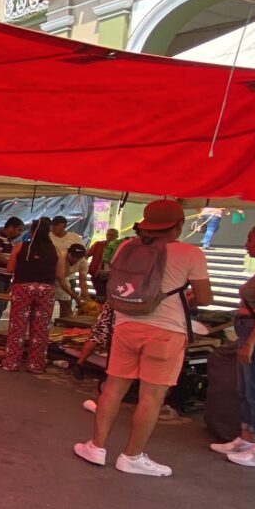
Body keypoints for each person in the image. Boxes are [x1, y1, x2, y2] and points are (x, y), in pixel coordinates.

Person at [74, 200, 212, 477]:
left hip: (126, 325)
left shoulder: (127, 246)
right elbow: (206, 298)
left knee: (113, 388)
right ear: (179, 225)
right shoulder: (190, 253)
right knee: (151, 396)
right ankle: (131, 456)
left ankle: (96, 447)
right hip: (167, 332)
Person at [210, 224, 255, 468]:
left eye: (251, 239)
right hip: (250, 330)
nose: (246, 244)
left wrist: (251, 341)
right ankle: (247, 437)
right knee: (246, 387)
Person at [0, 218, 61, 374]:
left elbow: (10, 269)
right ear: (49, 232)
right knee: (40, 328)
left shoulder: (20, 247)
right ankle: (36, 365)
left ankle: (12, 362)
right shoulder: (57, 250)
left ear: (32, 232)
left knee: (17, 326)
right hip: (46, 289)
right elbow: (60, 274)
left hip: (22, 288)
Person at [55, 243, 90, 319]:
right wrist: (76, 297)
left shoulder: (83, 262)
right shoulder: (61, 257)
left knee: (66, 299)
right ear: (69, 252)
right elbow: (61, 279)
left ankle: (65, 320)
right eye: (73, 256)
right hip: (48, 278)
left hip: (64, 278)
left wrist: (87, 298)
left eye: (78, 258)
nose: (75, 259)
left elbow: (83, 281)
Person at [88, 228, 119, 299]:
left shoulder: (119, 247)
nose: (109, 237)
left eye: (112, 235)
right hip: (97, 274)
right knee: (101, 295)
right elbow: (87, 254)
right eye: (108, 235)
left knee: (109, 296)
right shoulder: (98, 244)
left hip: (112, 276)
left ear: (117, 237)